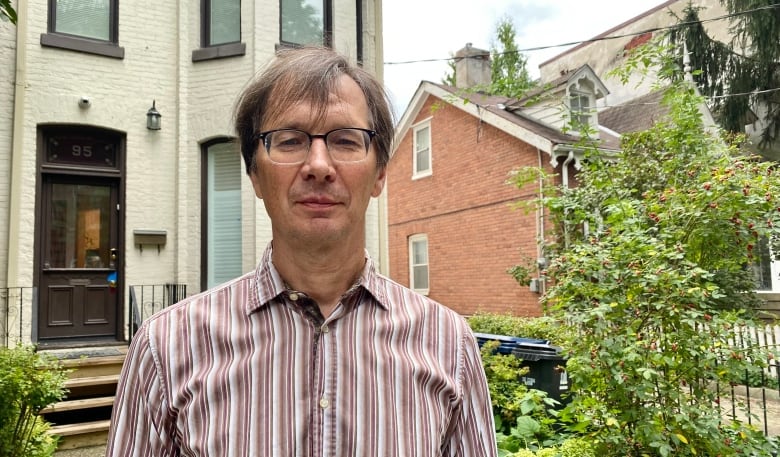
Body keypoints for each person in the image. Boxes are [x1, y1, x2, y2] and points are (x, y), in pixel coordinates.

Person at [106, 46, 497, 456]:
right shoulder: (167, 348)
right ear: (254, 174)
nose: (318, 164)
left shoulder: (448, 345)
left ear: (380, 173)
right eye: (290, 140)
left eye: (346, 140)